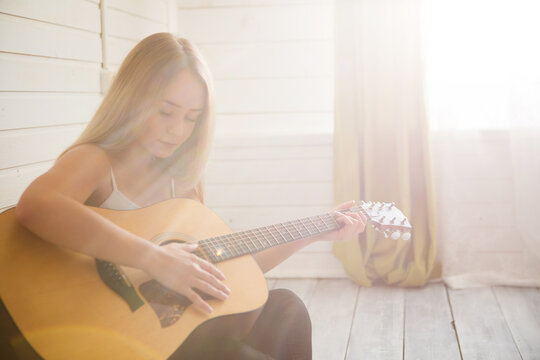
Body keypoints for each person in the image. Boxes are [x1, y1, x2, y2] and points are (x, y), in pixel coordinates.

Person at [11, 33, 366, 359]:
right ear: (132, 99)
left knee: (287, 308)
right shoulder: (97, 160)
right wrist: (154, 259)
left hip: (176, 329)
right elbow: (36, 205)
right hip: (114, 335)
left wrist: (313, 233)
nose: (176, 130)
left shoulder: (181, 182)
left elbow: (228, 271)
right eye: (165, 111)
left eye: (191, 118)